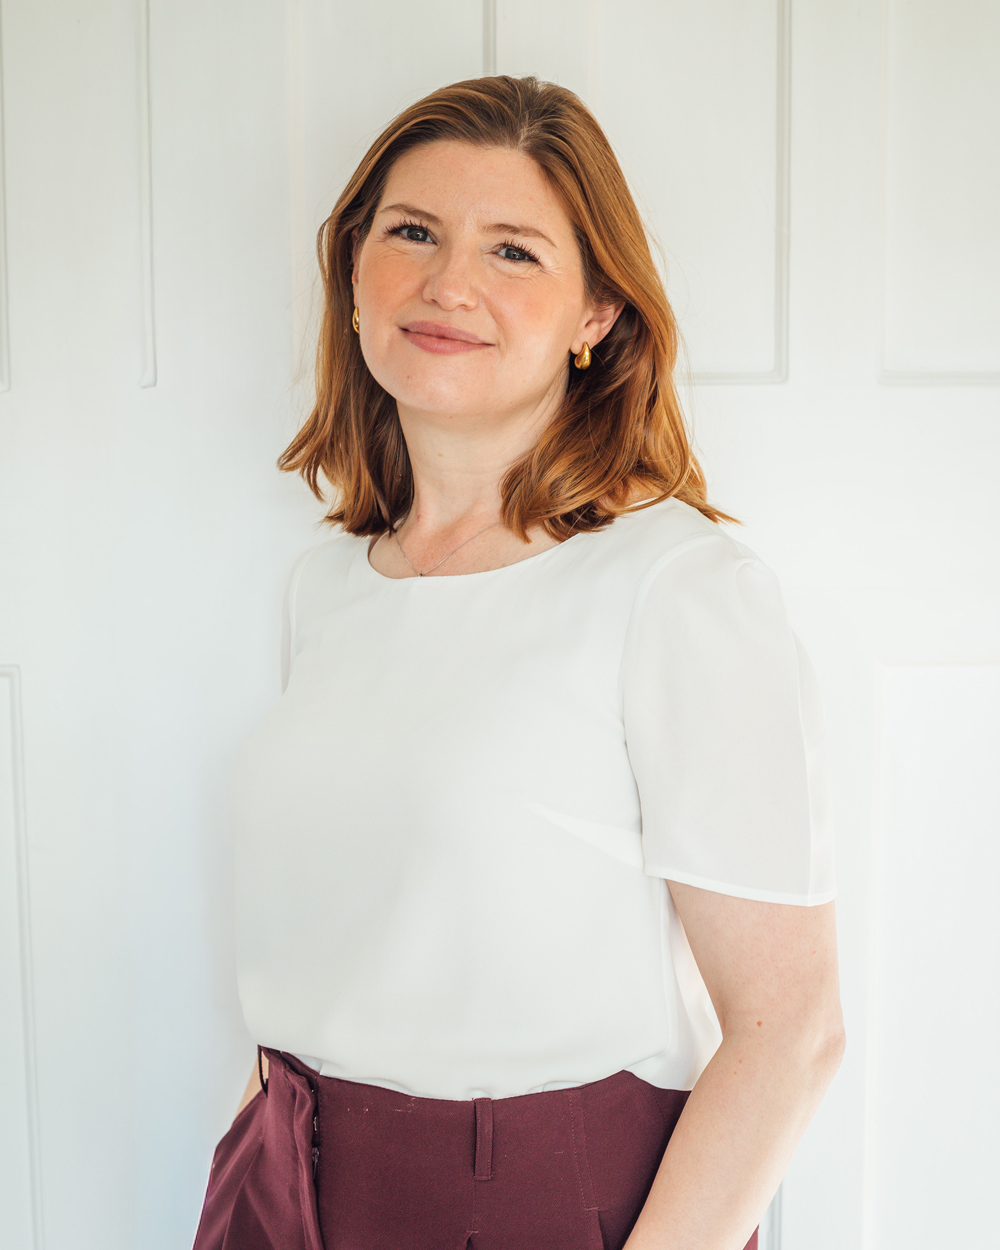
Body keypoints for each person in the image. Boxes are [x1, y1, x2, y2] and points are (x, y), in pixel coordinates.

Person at [191, 74, 844, 1250]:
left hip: (544, 1207)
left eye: (513, 252)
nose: (448, 285)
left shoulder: (674, 584)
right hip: (281, 1185)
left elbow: (789, 1029)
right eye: (413, 233)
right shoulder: (327, 588)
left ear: (597, 312)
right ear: (354, 275)